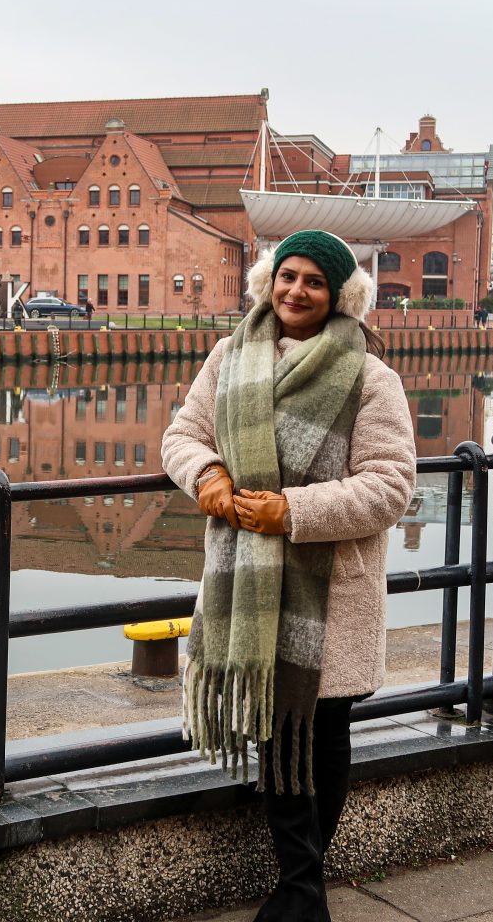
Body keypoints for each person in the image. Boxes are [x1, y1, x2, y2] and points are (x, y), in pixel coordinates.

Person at [161, 230, 415, 922]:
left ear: (340, 296)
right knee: (279, 735)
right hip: (246, 584)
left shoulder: (371, 377)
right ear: (268, 282)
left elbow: (390, 486)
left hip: (328, 592)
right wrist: (208, 476)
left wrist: (291, 511)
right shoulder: (229, 355)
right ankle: (303, 893)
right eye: (287, 276)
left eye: (314, 281)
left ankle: (301, 890)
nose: (296, 291)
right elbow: (181, 437)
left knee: (317, 735)